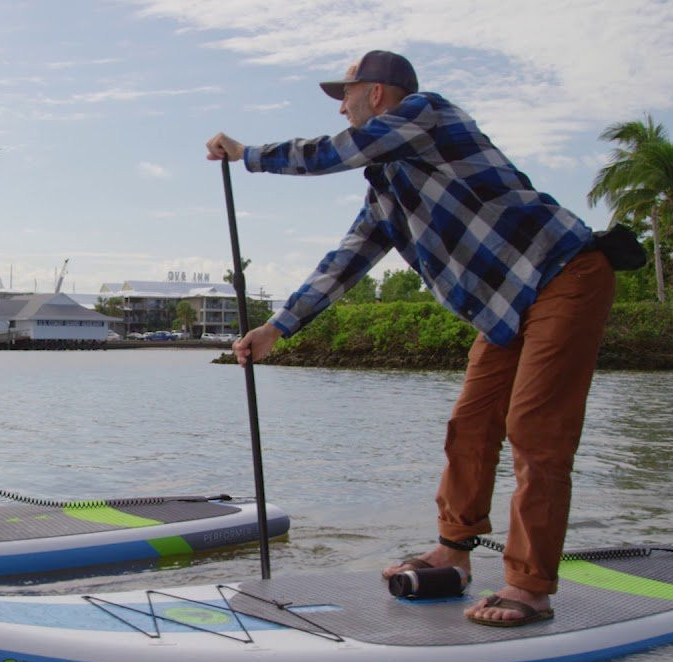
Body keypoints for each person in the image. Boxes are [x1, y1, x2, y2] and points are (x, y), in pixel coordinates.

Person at [206, 50, 615, 627]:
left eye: (344, 95)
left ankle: (530, 587)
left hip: (565, 274)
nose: (342, 108)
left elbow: (334, 153)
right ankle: (454, 551)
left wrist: (247, 154)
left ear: (376, 94)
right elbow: (345, 262)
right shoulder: (387, 191)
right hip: (505, 308)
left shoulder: (429, 115)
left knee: (534, 430)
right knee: (470, 423)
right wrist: (278, 328)